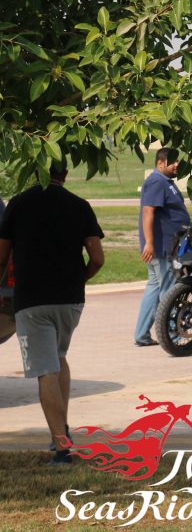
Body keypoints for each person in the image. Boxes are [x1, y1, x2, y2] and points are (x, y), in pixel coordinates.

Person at [0, 162, 104, 465]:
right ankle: (62, 428)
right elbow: (97, 258)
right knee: (58, 357)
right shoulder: (80, 205)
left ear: (35, 172)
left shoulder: (18, 204)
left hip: (32, 301)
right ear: (65, 174)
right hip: (70, 301)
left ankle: (61, 448)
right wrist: (79, 279)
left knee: (45, 369)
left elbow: (2, 256)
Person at [134, 147, 189, 347]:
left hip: (164, 246)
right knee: (169, 291)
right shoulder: (157, 181)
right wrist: (149, 242)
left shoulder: (165, 182)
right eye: (172, 162)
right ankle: (172, 334)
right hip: (162, 247)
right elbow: (148, 212)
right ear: (160, 163)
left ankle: (142, 334)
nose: (177, 165)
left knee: (155, 288)